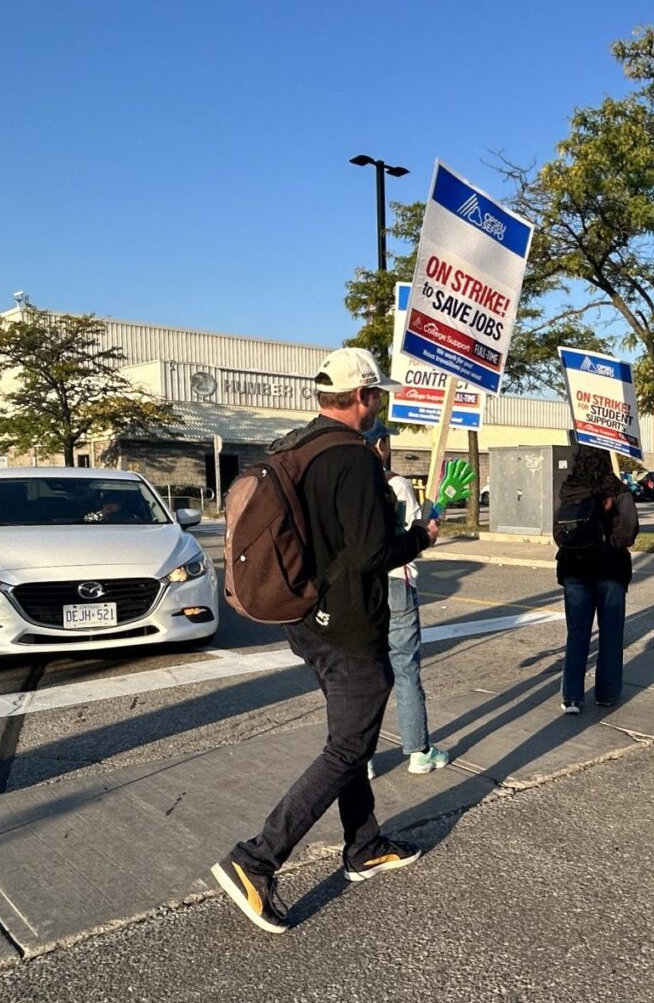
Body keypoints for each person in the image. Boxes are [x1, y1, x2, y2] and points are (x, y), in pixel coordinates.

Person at [211, 348, 439, 934]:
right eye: (376, 394)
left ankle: (363, 846)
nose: (379, 403)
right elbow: (371, 555)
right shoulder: (353, 460)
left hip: (305, 618)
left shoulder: (298, 447)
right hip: (347, 626)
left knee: (351, 738)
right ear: (363, 396)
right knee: (347, 747)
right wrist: (420, 536)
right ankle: (256, 860)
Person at [367, 425, 449, 775]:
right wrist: (437, 511)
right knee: (405, 669)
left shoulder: (346, 482)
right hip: (395, 582)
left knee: (364, 675)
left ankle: (361, 757)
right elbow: (418, 535)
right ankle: (418, 751)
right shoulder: (396, 484)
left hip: (358, 588)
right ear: (381, 445)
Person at [555, 446, 637, 713]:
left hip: (575, 568)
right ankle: (607, 693)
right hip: (609, 568)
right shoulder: (618, 490)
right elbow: (628, 531)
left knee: (577, 633)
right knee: (611, 634)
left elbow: (560, 533)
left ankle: (571, 697)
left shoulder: (568, 489)